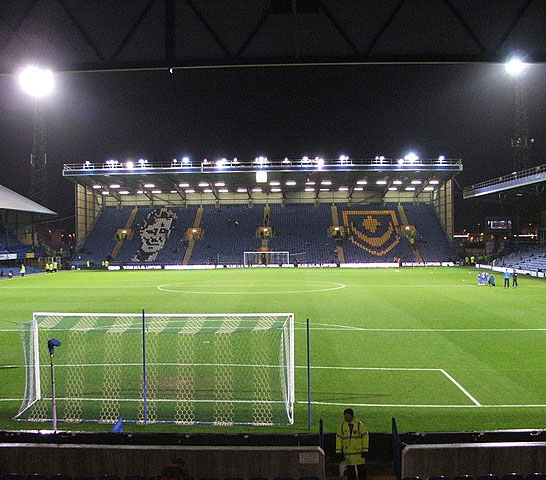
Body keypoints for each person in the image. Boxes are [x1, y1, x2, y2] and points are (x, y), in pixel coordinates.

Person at [336, 408, 369, 480]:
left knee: (361, 471)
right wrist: (338, 451)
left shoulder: (359, 425)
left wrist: (365, 450)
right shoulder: (342, 426)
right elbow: (339, 439)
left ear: (352, 415)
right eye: (345, 416)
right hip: (349, 454)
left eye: (347, 415)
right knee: (350, 472)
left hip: (359, 454)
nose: (346, 417)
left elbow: (365, 437)